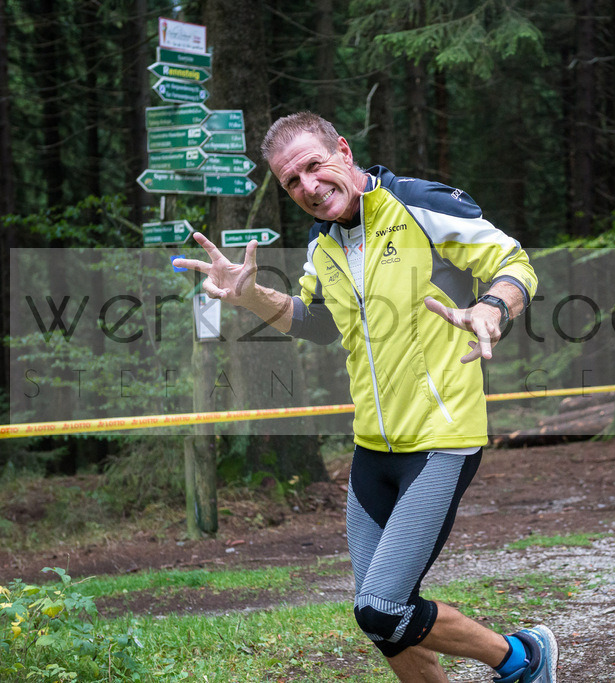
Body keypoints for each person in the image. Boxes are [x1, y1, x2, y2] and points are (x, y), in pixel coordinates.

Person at [172, 111, 556, 683]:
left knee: (381, 608)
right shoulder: (322, 243)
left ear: (343, 151)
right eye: (291, 182)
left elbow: (513, 262)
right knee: (383, 621)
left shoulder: (421, 204)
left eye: (312, 165)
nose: (307, 186)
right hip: (372, 447)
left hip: (441, 439)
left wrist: (491, 308)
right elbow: (317, 322)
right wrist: (249, 297)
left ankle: (523, 658)